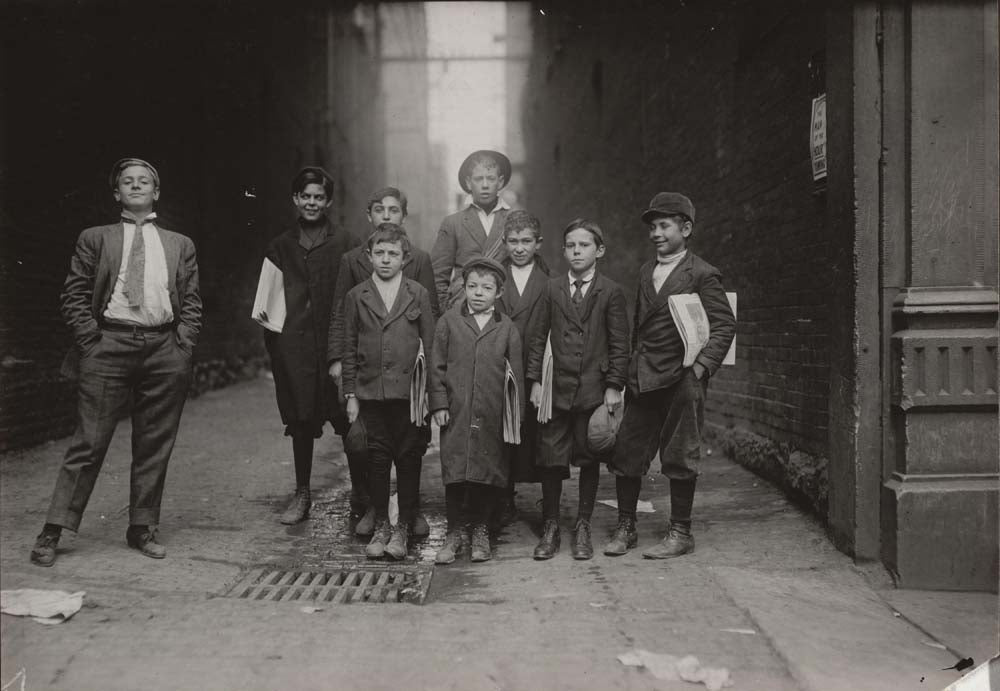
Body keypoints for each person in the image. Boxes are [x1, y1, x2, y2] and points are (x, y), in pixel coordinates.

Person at [30, 157, 202, 566]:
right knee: (89, 441)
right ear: (117, 193)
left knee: (154, 444)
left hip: (164, 350)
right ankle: (54, 528)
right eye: (128, 181)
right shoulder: (95, 238)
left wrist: (184, 345)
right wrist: (91, 340)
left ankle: (141, 528)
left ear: (156, 192)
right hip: (109, 344)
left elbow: (191, 301)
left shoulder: (179, 244)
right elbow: (73, 295)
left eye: (145, 181)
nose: (137, 186)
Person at [603, 193, 735, 559]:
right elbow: (639, 328)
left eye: (664, 226)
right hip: (644, 377)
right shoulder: (647, 271)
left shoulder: (702, 274)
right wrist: (631, 368)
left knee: (679, 454)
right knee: (627, 451)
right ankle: (626, 527)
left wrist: (701, 368)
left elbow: (724, 325)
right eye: (653, 227)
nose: (655, 234)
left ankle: (680, 532)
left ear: (686, 228)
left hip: (682, 379)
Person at [328, 187, 438, 537]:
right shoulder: (355, 288)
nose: (386, 258)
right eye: (380, 253)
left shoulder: (418, 285)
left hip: (409, 390)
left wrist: (433, 396)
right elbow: (346, 336)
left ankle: (406, 518)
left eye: (393, 253)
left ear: (404, 258)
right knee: (374, 452)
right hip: (370, 385)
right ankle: (377, 516)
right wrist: (349, 391)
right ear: (370, 255)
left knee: (410, 453)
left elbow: (430, 339)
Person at [526, 218, 629, 561]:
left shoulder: (610, 292)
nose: (577, 251)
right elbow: (538, 337)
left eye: (584, 245)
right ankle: (552, 524)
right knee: (551, 458)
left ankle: (583, 523)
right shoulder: (551, 289)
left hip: (592, 390)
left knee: (589, 456)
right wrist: (537, 382)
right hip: (556, 389)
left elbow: (619, 343)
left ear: (599, 250)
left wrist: (614, 385)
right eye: (570, 245)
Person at [262, 167, 358, 525]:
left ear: (328, 201)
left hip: (335, 346)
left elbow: (359, 295)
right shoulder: (280, 246)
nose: (312, 203)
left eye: (319, 197)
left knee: (347, 422)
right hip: (296, 349)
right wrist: (279, 350)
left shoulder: (347, 242)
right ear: (295, 200)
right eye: (306, 197)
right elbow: (267, 307)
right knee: (301, 422)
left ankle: (359, 496)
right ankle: (302, 494)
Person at [428, 257, 523, 564]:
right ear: (463, 288)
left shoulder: (506, 328)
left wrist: (512, 416)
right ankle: (454, 532)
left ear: (499, 292)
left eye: (486, 287)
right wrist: (439, 404)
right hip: (457, 412)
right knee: (455, 472)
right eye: (472, 286)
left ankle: (481, 531)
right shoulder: (449, 322)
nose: (478, 293)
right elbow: (436, 367)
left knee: (486, 472)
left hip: (492, 413)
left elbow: (516, 377)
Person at [494, 210, 549, 525]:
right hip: (500, 363)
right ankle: (503, 495)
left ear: (537, 244)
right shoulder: (495, 275)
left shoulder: (548, 281)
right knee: (501, 429)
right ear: (504, 242)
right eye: (513, 241)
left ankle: (546, 499)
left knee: (534, 430)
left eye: (526, 241)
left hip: (532, 361)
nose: (519, 248)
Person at [430, 150, 513, 311]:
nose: (485, 185)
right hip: (462, 308)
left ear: (500, 182)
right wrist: (445, 315)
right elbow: (437, 277)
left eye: (490, 178)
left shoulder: (513, 220)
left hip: (503, 309)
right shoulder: (453, 223)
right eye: (478, 179)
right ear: (468, 183)